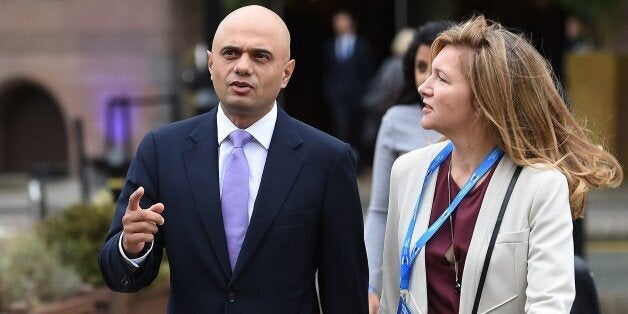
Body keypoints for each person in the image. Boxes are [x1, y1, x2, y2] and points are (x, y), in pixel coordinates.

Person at [98, 5, 368, 313]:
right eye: (230, 53)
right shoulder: (162, 150)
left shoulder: (327, 160)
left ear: (286, 73)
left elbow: (346, 290)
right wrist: (131, 247)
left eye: (260, 56)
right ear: (211, 64)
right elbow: (117, 275)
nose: (242, 66)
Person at [379, 16, 623, 313]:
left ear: (483, 101)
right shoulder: (407, 171)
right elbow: (393, 294)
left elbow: (549, 305)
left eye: (441, 79)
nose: (423, 88)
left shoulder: (541, 185)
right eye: (428, 74)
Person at [363, 21, 450, 314]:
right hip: (406, 265)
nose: (426, 80)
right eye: (421, 67)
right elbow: (380, 210)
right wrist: (370, 284)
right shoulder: (396, 119)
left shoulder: (472, 125)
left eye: (438, 71)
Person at [322, 10, 375, 167]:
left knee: (358, 131)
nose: (339, 24)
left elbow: (368, 71)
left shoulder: (362, 45)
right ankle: (343, 164)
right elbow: (326, 72)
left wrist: (364, 94)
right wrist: (331, 92)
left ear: (351, 23)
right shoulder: (329, 46)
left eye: (343, 21)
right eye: (337, 21)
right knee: (341, 130)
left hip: (358, 97)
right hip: (338, 97)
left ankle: (359, 165)